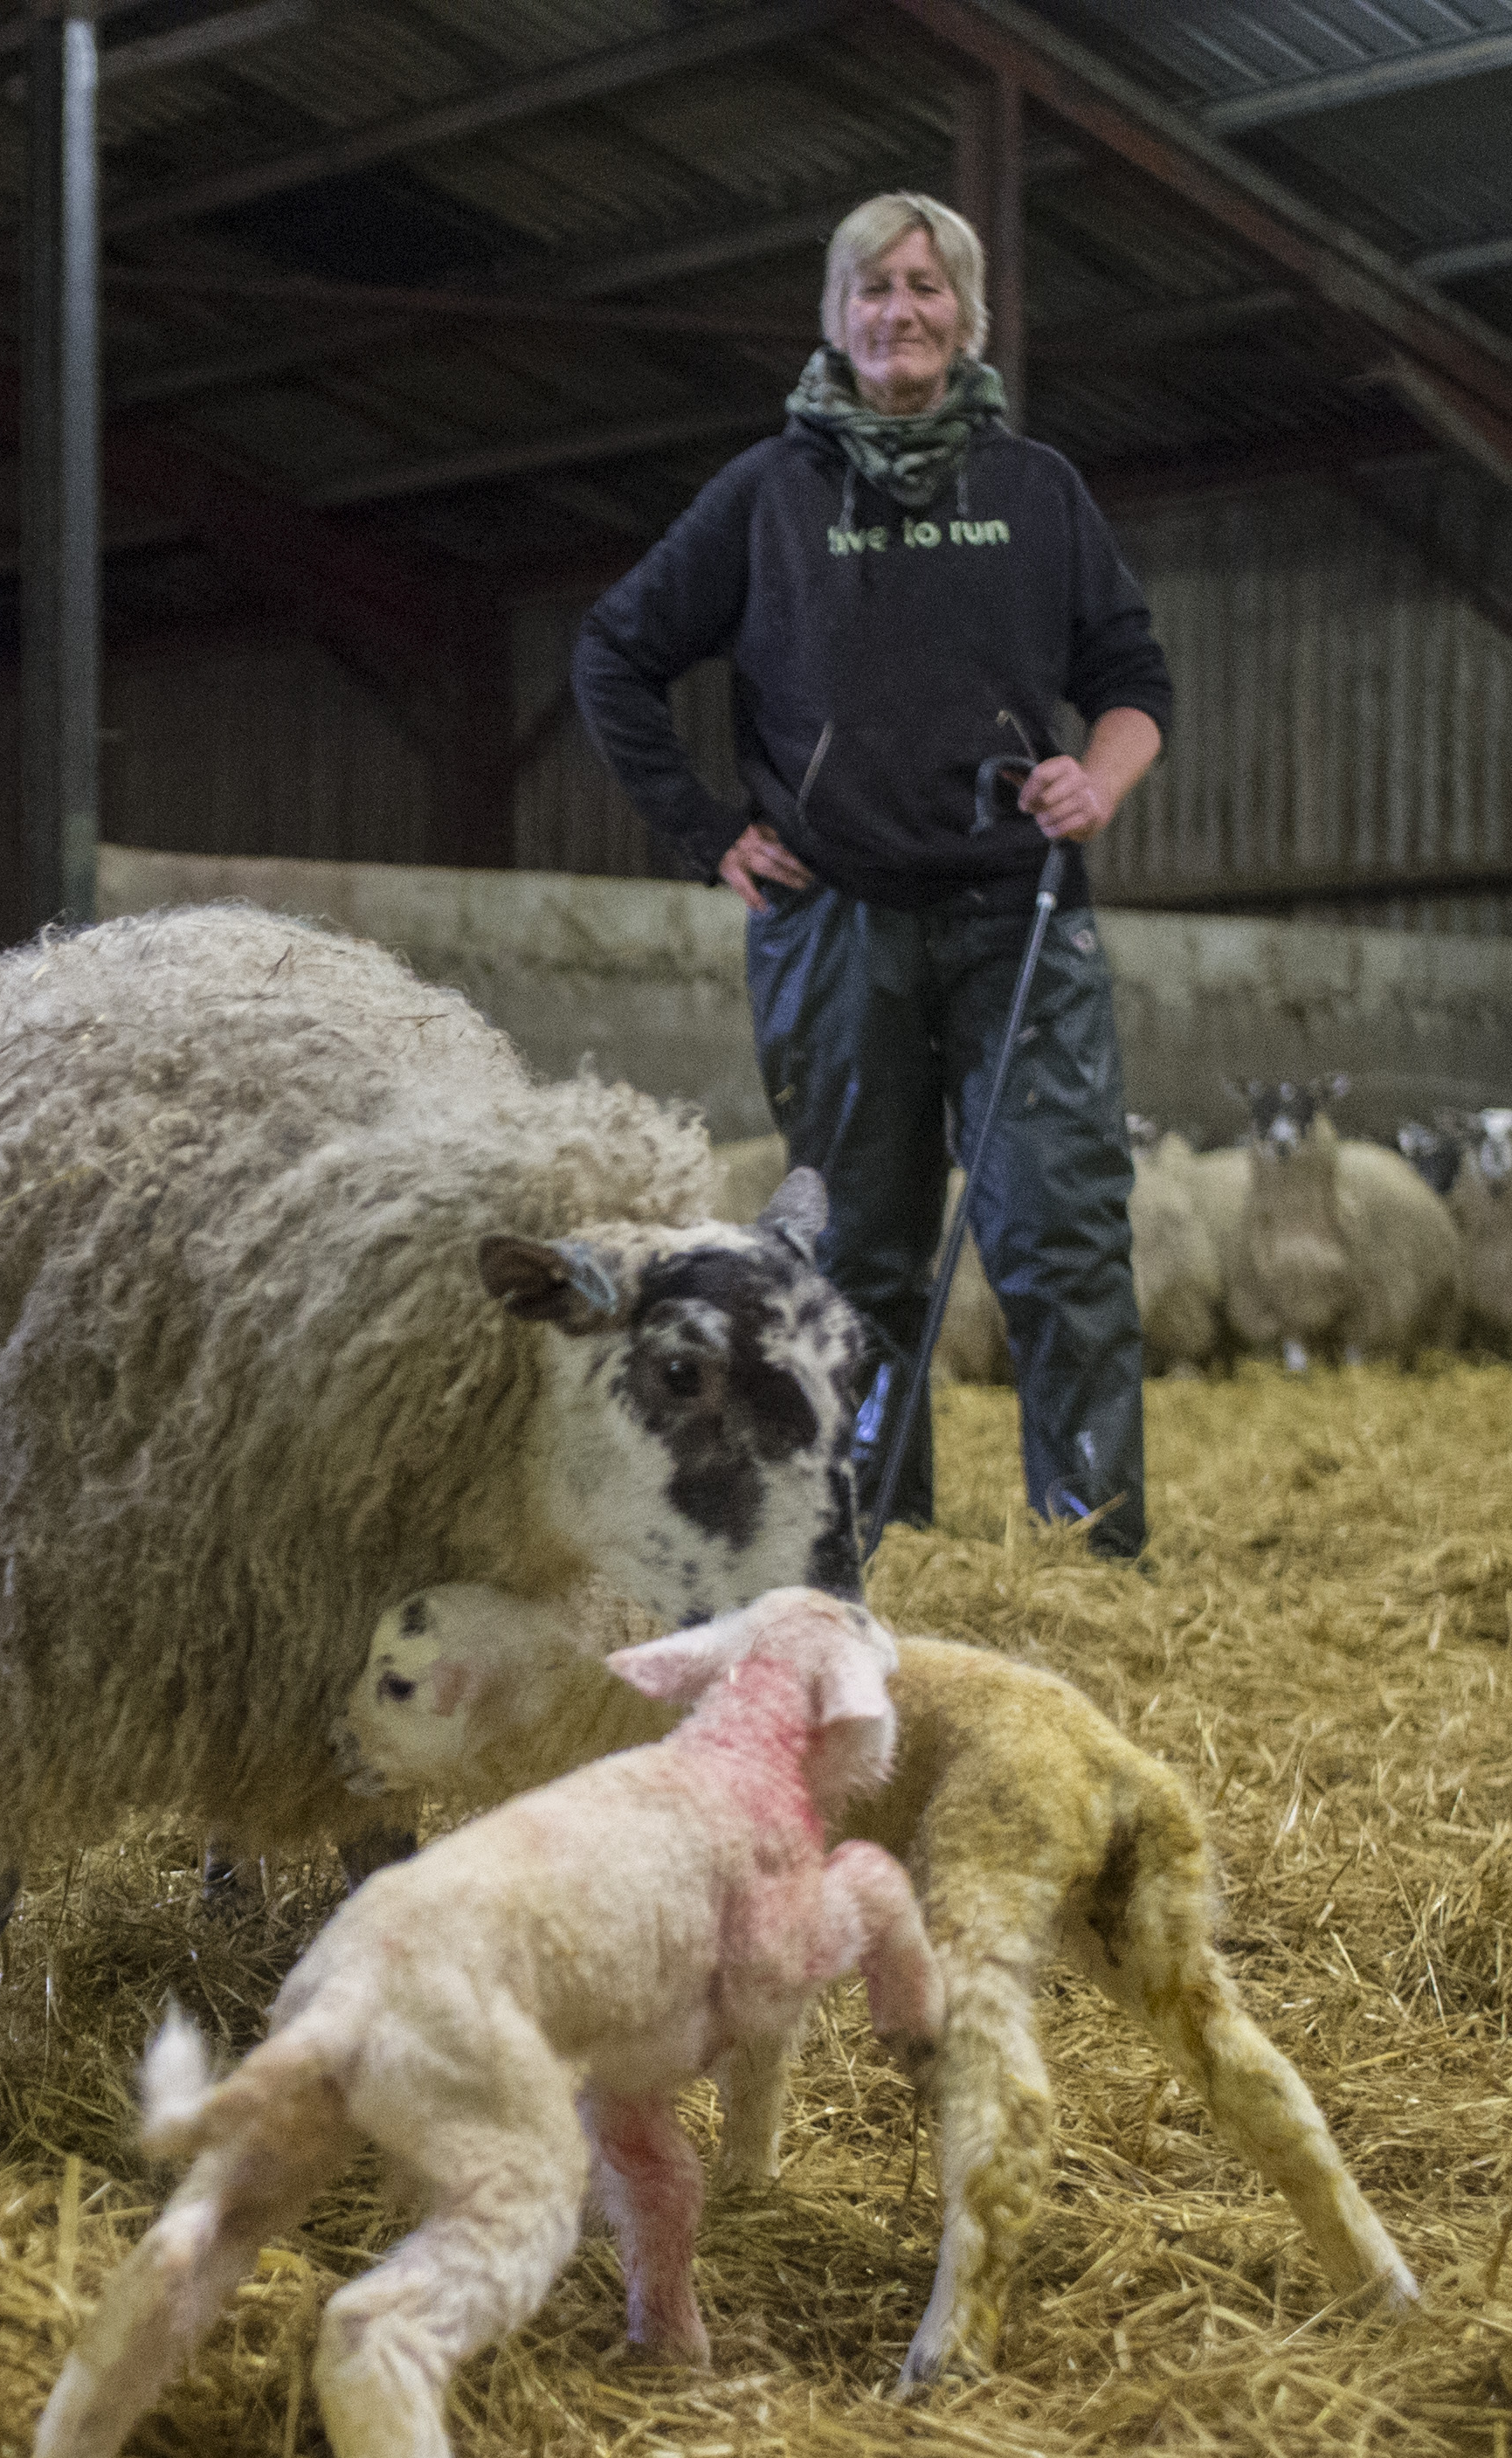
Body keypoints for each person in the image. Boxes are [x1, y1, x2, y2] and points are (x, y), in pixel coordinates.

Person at [571, 190, 1170, 1563]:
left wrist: (1105, 779)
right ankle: (871, 1537)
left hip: (1018, 922)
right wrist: (704, 828)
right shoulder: (770, 495)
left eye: (925, 287)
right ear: (836, 321)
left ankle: (1091, 1546)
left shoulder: (1037, 492)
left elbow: (1132, 680)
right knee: (860, 1263)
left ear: (966, 314)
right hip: (834, 926)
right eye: (872, 290)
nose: (900, 311)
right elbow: (615, 653)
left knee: (1062, 1237)